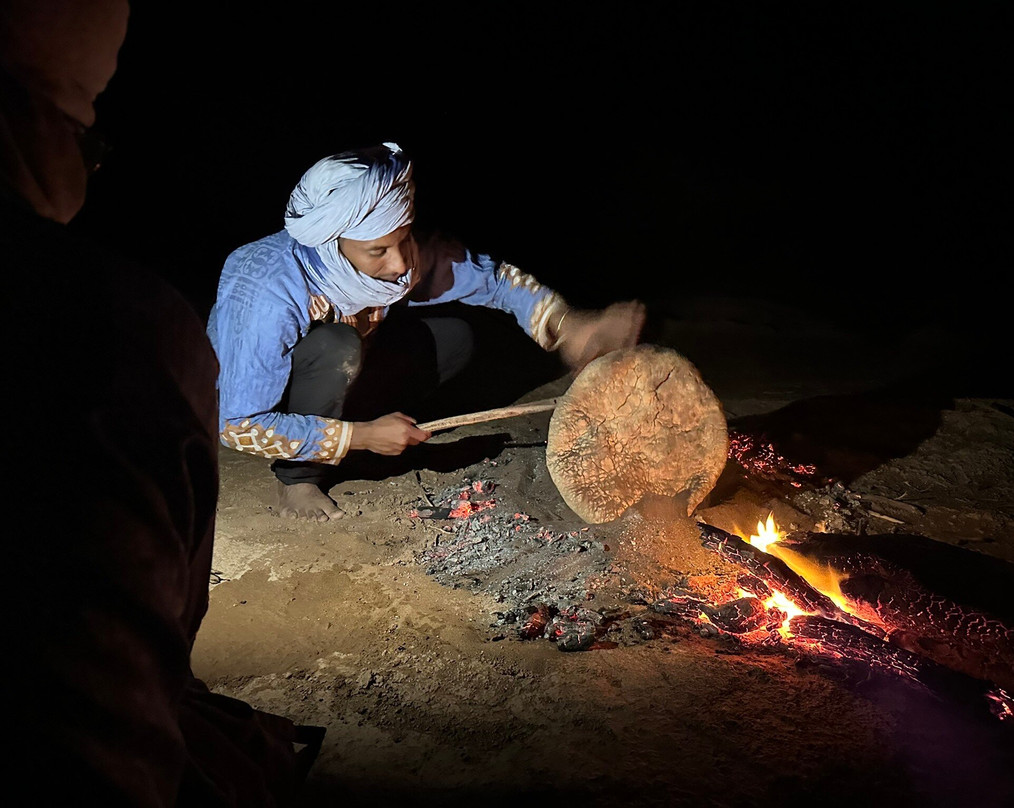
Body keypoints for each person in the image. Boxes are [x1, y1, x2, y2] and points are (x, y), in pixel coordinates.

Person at [2, 1, 322, 803]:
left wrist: (564, 320)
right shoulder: (106, 328)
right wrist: (347, 439)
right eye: (87, 139)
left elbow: (478, 275)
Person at [207, 143, 646, 522]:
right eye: (378, 250)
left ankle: (371, 429)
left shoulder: (400, 256)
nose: (399, 264)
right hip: (259, 399)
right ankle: (297, 476)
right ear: (331, 242)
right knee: (335, 344)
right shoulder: (265, 287)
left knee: (455, 338)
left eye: (403, 240)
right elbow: (237, 423)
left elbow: (492, 279)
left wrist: (569, 326)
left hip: (339, 375)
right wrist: (362, 436)